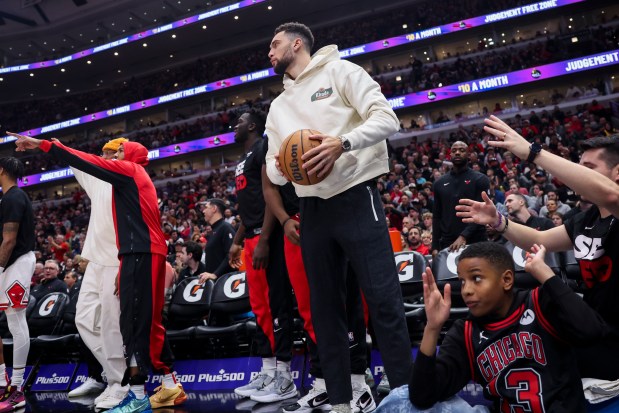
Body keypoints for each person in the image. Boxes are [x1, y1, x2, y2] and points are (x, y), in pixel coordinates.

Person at [264, 22, 412, 413]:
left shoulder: (342, 71)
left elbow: (387, 119)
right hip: (312, 208)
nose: (270, 52)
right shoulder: (278, 108)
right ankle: (342, 403)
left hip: (356, 196)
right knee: (325, 312)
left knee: (383, 301)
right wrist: (287, 166)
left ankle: (405, 397)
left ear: (297, 44)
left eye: (275, 44)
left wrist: (340, 144)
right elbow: (273, 170)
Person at [10, 133, 186, 413]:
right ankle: (149, 382)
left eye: (116, 152)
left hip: (132, 257)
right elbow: (82, 162)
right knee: (121, 323)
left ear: (126, 155)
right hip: (124, 256)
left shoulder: (128, 172)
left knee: (130, 325)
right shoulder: (122, 179)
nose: (111, 156)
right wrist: (54, 146)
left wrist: (47, 146)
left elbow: (87, 161)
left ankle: (133, 389)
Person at [456, 119, 619, 380]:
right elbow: (537, 238)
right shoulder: (584, 220)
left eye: (588, 168)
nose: (577, 175)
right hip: (597, 331)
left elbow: (611, 195)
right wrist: (499, 222)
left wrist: (532, 153)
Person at [376, 242, 613, 412]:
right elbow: (422, 397)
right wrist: (432, 328)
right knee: (401, 400)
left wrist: (546, 275)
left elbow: (592, 332)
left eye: (476, 278)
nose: (466, 290)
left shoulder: (540, 302)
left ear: (507, 280)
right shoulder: (466, 331)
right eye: (462, 281)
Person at [262, 160, 373, 412]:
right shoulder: (276, 137)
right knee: (309, 309)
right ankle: (323, 383)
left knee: (347, 301)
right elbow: (268, 185)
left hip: (335, 212)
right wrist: (283, 220)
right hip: (297, 224)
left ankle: (358, 384)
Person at [228, 110, 297, 403]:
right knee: (260, 308)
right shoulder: (242, 160)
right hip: (252, 237)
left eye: (240, 122)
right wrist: (237, 241)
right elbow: (250, 204)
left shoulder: (264, 148)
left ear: (253, 125)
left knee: (278, 304)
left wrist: (265, 239)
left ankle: (285, 375)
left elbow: (272, 196)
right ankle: (268, 370)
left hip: (268, 236)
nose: (235, 126)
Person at [65, 137, 129, 409]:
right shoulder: (96, 180)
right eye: (102, 153)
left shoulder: (128, 180)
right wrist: (53, 145)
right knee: (84, 319)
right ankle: (116, 375)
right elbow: (75, 159)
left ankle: (120, 383)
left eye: (112, 153)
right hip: (94, 262)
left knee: (113, 324)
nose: (105, 157)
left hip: (117, 260)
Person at [0, 157, 35, 413]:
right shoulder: (9, 197)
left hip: (17, 262)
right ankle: (7, 383)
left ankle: (18, 389)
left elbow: (9, 240)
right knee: (12, 322)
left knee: (16, 320)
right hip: (12, 263)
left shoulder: (14, 197)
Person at [432, 141, 489, 255]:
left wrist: (464, 236)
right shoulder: (439, 183)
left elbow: (480, 212)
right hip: (448, 242)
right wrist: (434, 247)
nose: (457, 153)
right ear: (450, 155)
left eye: (462, 150)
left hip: (475, 240)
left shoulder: (480, 179)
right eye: (454, 151)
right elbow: (437, 216)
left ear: (468, 155)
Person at [196, 199, 235, 283]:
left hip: (225, 283)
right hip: (215, 283)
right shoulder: (213, 231)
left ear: (214, 208)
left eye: (206, 207)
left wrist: (215, 274)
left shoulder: (226, 228)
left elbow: (231, 255)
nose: (203, 211)